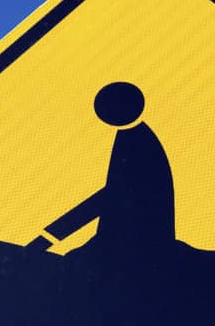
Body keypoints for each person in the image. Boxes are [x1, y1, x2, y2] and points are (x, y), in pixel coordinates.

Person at [27, 82, 177, 264]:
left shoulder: (139, 142)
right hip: (126, 233)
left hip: (134, 237)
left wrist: (52, 235)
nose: (104, 112)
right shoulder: (131, 137)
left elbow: (112, 195)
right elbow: (113, 194)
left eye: (113, 105)